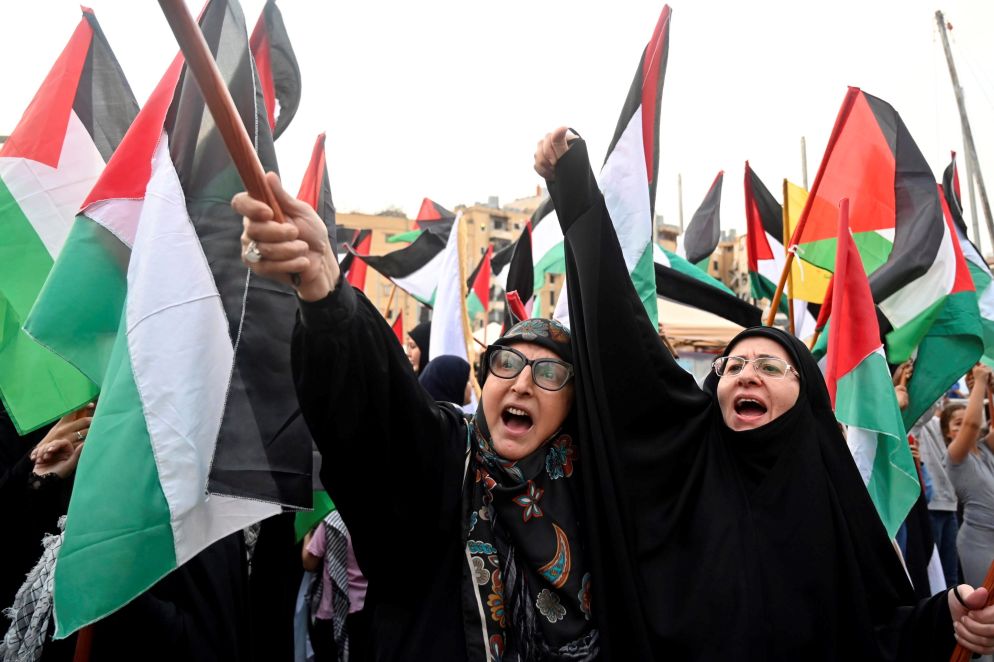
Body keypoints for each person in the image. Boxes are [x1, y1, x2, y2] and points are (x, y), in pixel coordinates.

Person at [533, 126, 994, 660]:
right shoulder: (684, 463)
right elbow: (623, 342)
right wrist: (573, 190)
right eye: (733, 365)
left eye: (771, 366)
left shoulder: (836, 499)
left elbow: (879, 630)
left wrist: (947, 617)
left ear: (806, 397)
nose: (747, 374)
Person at [233, 177, 597, 659]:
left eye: (548, 371)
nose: (522, 384)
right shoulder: (447, 458)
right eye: (506, 363)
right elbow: (382, 415)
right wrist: (326, 295)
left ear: (573, 402)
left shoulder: (594, 492)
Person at [944, 364, 994, 591]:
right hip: (979, 542)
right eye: (958, 423)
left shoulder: (985, 450)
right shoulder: (955, 458)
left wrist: (990, 391)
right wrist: (980, 383)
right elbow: (972, 424)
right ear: (947, 432)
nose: (964, 426)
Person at [916, 399, 960, 589]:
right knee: (935, 575)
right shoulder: (920, 423)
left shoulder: (943, 430)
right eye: (958, 423)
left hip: (950, 506)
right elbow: (925, 409)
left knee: (951, 576)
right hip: (931, 507)